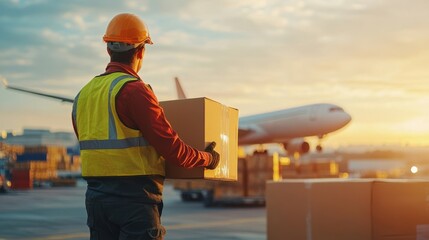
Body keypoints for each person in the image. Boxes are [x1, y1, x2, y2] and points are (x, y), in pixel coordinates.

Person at [71, 13, 220, 240]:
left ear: (108, 49)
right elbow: (173, 150)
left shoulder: (83, 95)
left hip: (96, 200)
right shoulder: (134, 91)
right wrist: (208, 159)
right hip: (133, 201)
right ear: (141, 52)